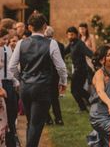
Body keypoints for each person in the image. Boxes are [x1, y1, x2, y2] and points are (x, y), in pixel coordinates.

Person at [8, 12, 67, 147]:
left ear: (29, 27)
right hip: (43, 88)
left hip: (25, 88)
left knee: (31, 122)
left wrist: (20, 79)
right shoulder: (51, 43)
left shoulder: (21, 43)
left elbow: (11, 67)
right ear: (45, 26)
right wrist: (63, 82)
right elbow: (61, 67)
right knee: (36, 124)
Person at [89, 45, 110, 147]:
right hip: (99, 115)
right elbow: (100, 91)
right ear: (102, 60)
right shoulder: (99, 74)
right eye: (108, 55)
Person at [65, 26, 93, 112]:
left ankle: (85, 106)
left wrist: (96, 61)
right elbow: (63, 51)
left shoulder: (80, 44)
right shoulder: (71, 44)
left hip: (82, 70)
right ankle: (89, 104)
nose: (70, 37)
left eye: (72, 35)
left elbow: (89, 53)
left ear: (76, 35)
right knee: (79, 90)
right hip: (77, 70)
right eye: (69, 35)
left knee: (74, 90)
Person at [0, 28, 18, 147]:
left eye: (7, 39)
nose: (6, 41)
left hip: (8, 82)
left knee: (12, 111)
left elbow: (8, 67)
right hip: (1, 83)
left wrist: (14, 80)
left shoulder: (6, 49)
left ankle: (11, 138)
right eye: (4, 39)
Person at [44, 26, 65, 126]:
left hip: (45, 74)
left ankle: (48, 119)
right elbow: (62, 62)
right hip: (55, 74)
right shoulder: (60, 45)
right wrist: (62, 78)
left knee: (44, 98)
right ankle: (59, 119)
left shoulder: (42, 44)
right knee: (54, 98)